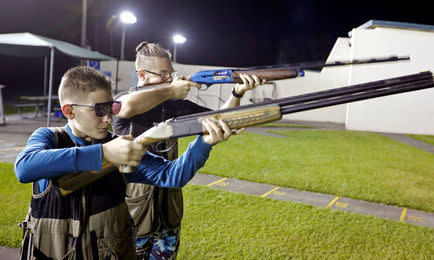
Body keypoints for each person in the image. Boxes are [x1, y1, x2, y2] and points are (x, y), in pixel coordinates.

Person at [14, 66, 240, 259]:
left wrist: (205, 142)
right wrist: (104, 154)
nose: (109, 118)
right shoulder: (49, 137)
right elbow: (24, 168)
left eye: (111, 108)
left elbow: (171, 175)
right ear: (68, 111)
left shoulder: (119, 147)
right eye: (99, 110)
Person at [113, 42, 264, 259]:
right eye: (163, 74)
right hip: (134, 216)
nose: (170, 79)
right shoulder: (124, 101)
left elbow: (220, 119)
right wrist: (171, 89)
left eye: (171, 73)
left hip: (168, 213)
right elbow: (125, 107)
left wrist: (237, 92)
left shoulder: (173, 105)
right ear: (142, 74)